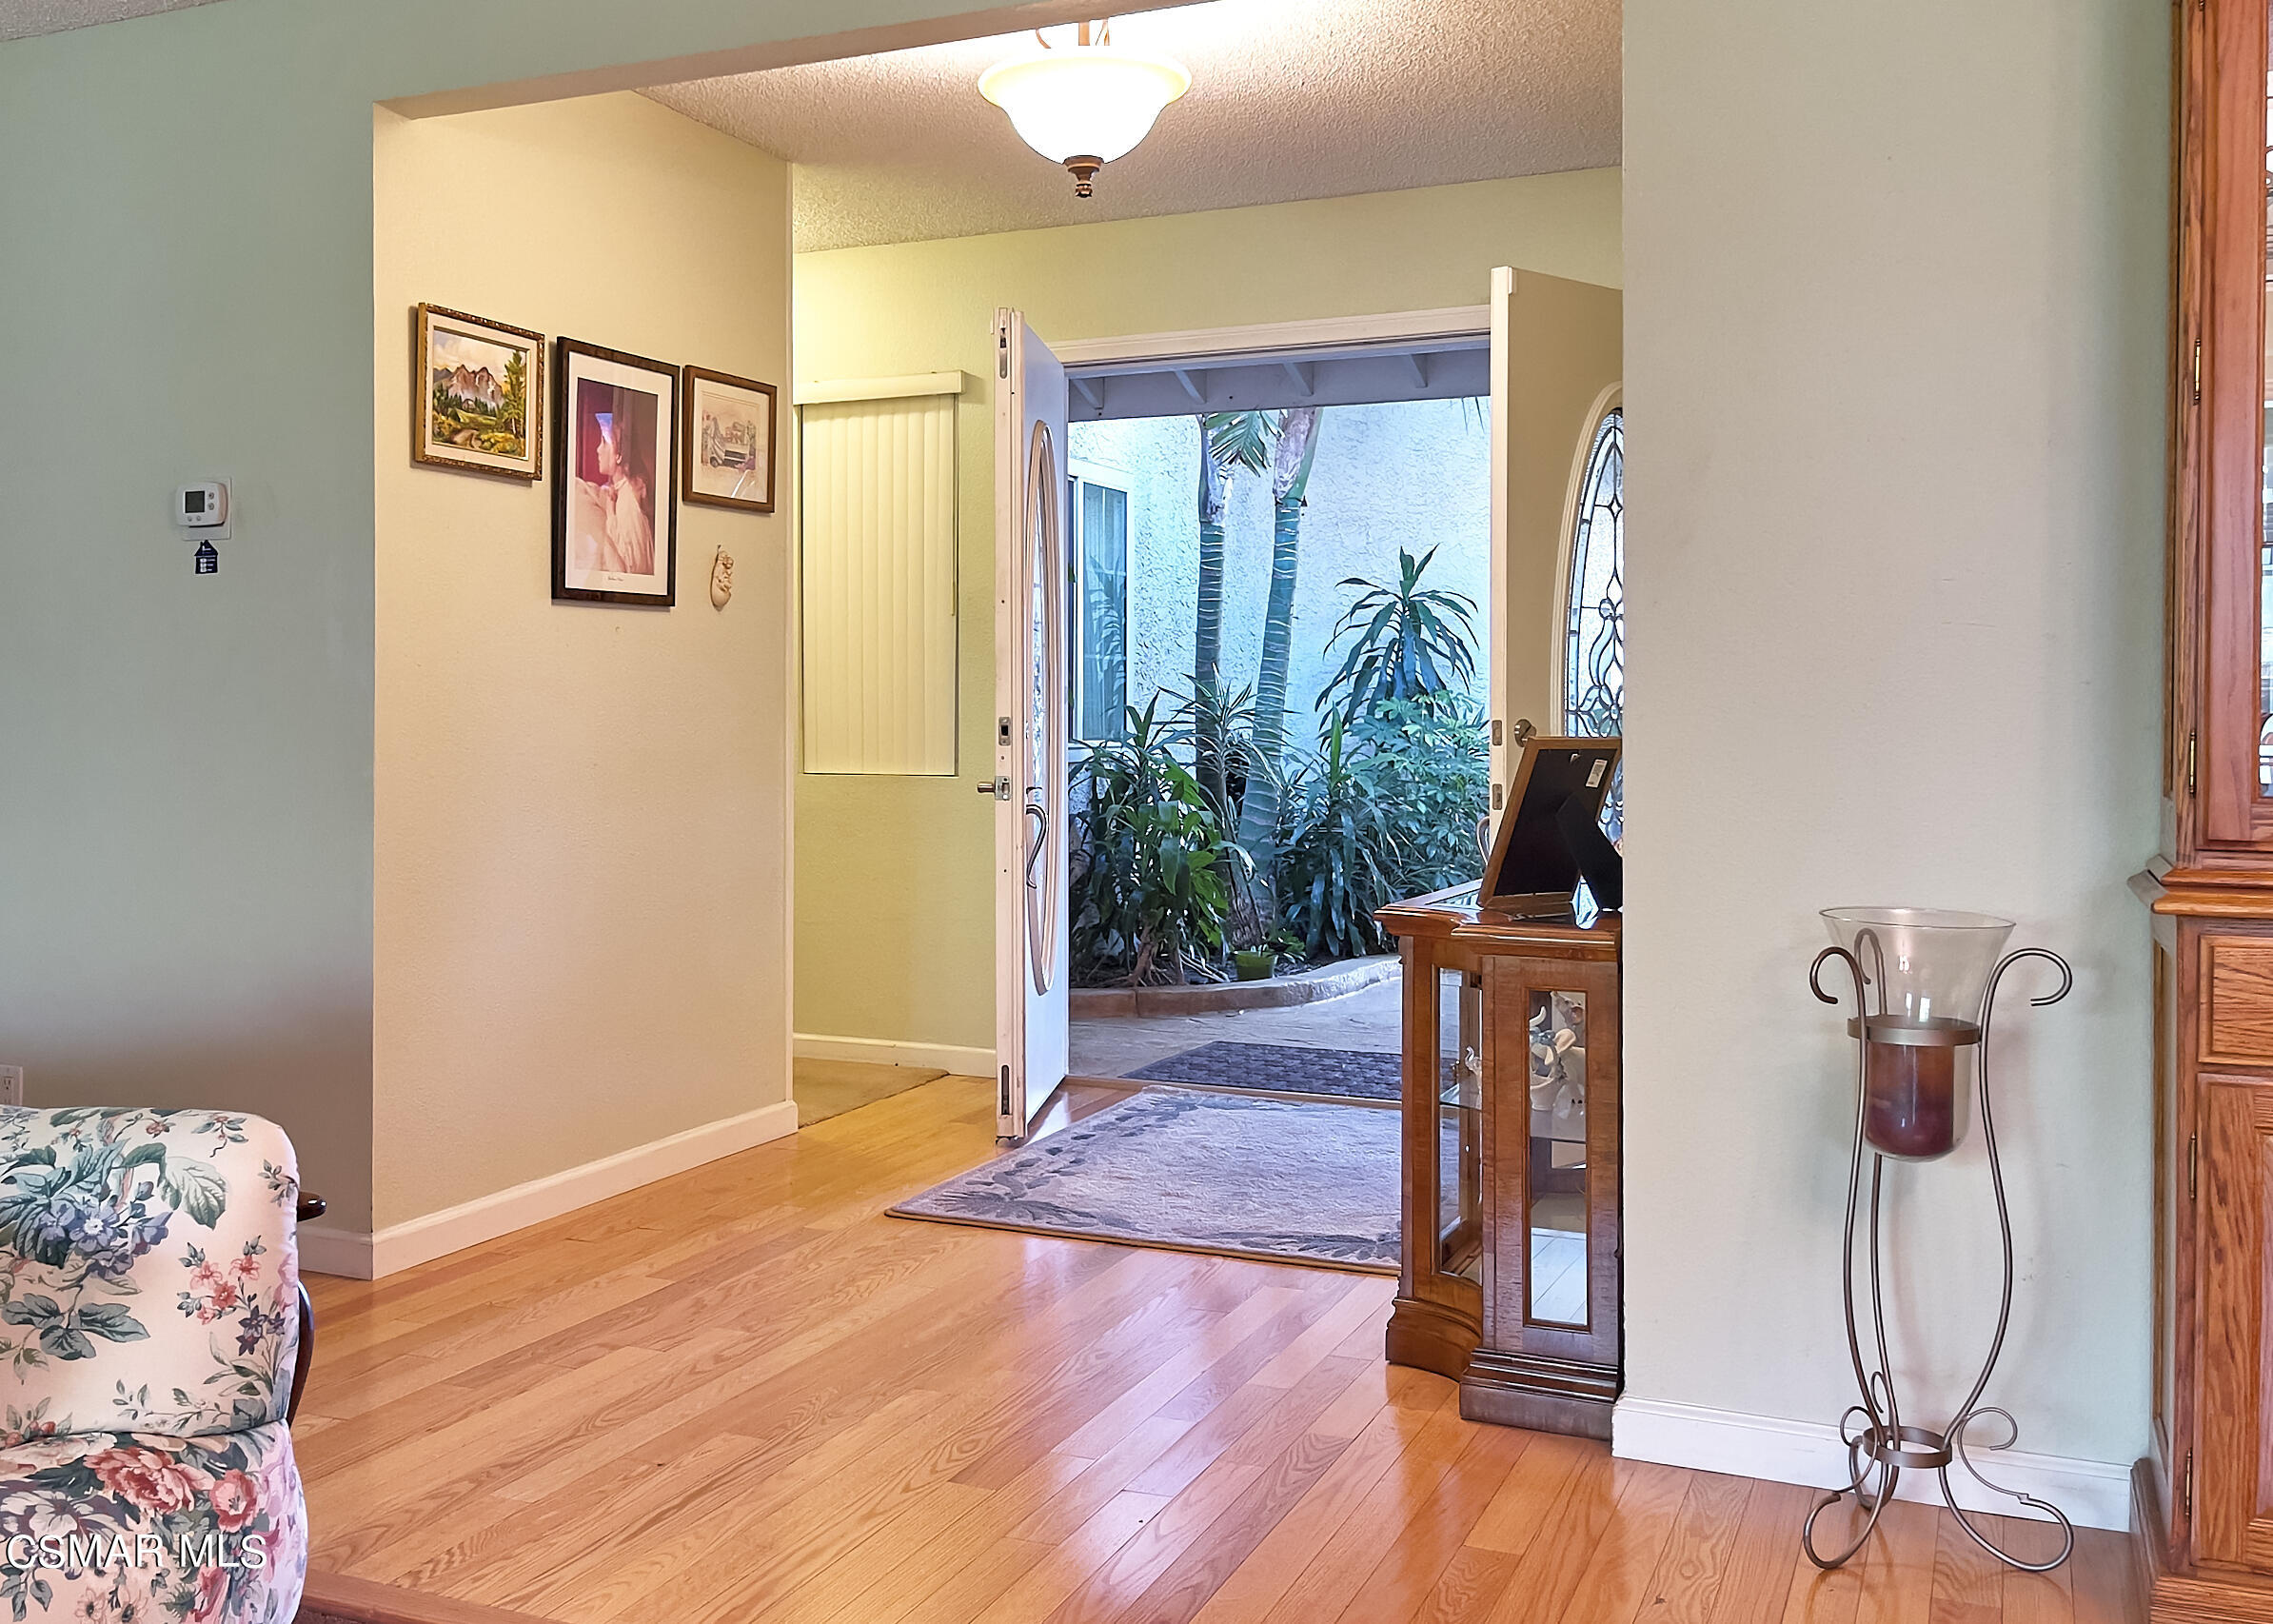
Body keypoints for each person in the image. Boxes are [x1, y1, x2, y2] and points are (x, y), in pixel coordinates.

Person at [573, 403, 655, 577]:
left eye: (604, 442)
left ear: (619, 455)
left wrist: (610, 511)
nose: (598, 449)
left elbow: (633, 565)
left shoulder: (629, 495)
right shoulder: (615, 491)